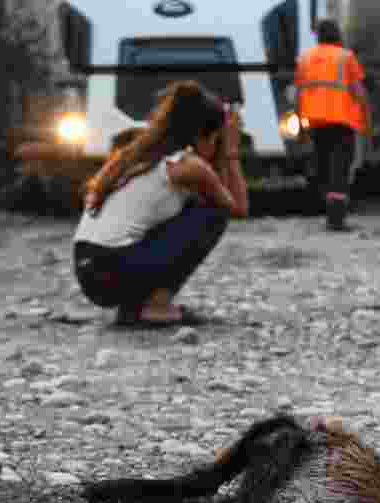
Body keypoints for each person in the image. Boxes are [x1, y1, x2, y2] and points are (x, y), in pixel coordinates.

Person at [73, 80, 248, 327]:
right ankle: (155, 307)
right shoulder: (188, 166)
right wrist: (230, 150)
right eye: (215, 139)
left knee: (183, 211)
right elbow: (238, 207)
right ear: (203, 136)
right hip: (113, 271)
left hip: (88, 271)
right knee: (212, 213)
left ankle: (135, 307)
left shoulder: (138, 155)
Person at [295, 19, 371, 231]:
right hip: (342, 120)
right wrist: (366, 120)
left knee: (324, 167)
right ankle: (336, 218)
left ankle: (330, 212)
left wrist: (300, 126)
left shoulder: (305, 58)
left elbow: (298, 95)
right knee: (340, 167)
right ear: (338, 34)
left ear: (318, 36)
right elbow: (359, 92)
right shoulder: (346, 57)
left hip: (316, 121)